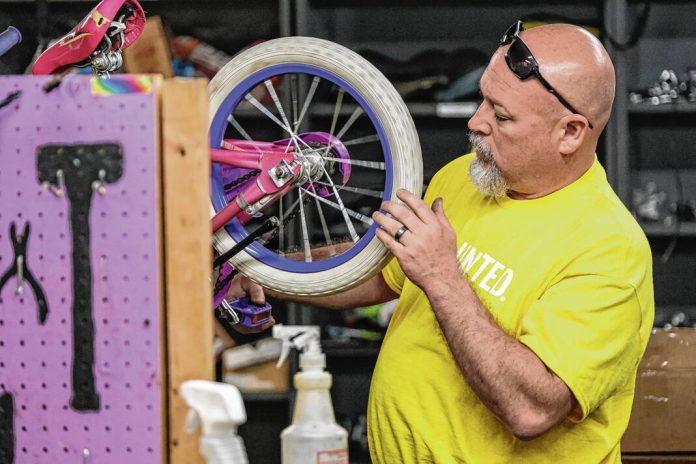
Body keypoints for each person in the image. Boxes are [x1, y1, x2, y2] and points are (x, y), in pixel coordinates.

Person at [228, 20, 654, 463]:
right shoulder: (467, 177)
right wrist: (265, 270)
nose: (476, 121)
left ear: (570, 132)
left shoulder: (609, 250)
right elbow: (377, 271)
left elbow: (532, 409)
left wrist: (441, 275)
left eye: (501, 116)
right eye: (483, 99)